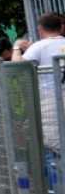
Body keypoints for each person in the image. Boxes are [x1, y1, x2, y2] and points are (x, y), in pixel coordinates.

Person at [21, 13, 65, 151]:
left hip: (49, 97)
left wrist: (17, 48)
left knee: (53, 142)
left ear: (40, 30)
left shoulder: (39, 46)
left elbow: (18, 65)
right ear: (61, 28)